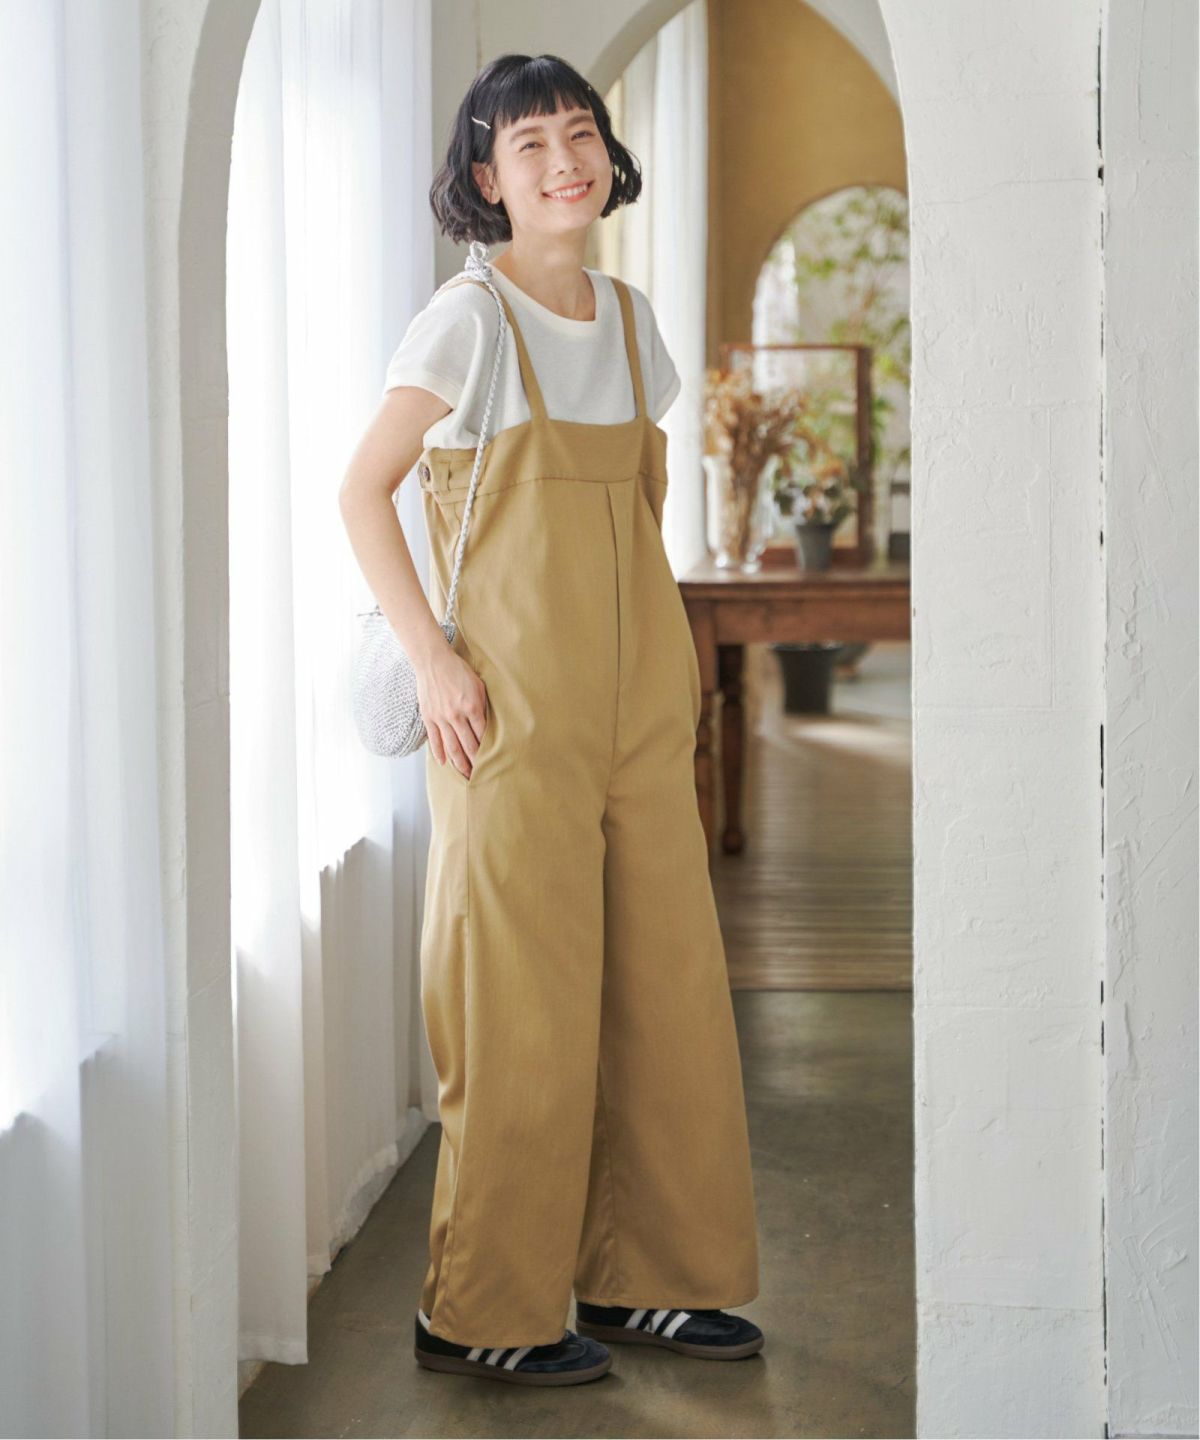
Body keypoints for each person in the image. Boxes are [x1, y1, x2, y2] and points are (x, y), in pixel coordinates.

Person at [339, 52, 762, 1389]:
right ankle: (483, 1308)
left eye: (580, 134)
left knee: (666, 989)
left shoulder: (631, 323)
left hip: (639, 713)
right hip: (509, 715)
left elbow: (634, 523)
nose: (564, 161)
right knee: (518, 1007)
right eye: (531, 144)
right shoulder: (466, 323)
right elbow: (362, 491)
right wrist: (434, 661)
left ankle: (652, 1280)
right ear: (487, 177)